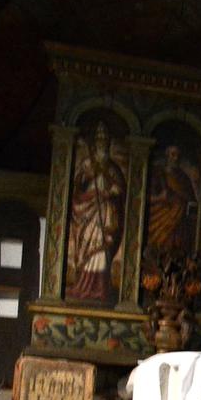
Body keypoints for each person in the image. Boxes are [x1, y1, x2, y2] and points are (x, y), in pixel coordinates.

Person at [66, 124, 127, 301]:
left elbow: (120, 189)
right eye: (99, 140)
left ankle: (100, 288)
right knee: (87, 246)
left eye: (104, 140)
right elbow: (77, 186)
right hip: (89, 208)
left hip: (105, 211)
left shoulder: (112, 167)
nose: (102, 143)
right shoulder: (88, 164)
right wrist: (89, 178)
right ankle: (83, 285)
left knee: (102, 245)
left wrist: (109, 191)